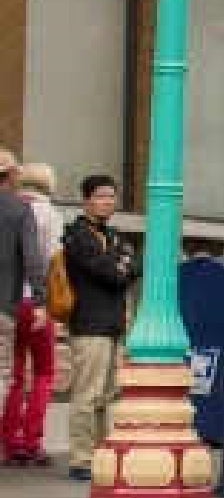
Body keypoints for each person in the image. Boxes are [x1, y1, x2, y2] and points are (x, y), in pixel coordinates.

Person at [63, 174, 129, 482]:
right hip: (89, 324)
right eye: (101, 196)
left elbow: (132, 265)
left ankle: (103, 453)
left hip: (114, 325)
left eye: (111, 196)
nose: (107, 202)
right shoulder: (76, 235)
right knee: (87, 395)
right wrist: (120, 265)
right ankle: (81, 458)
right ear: (86, 200)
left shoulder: (114, 235)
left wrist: (121, 264)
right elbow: (110, 273)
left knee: (109, 396)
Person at [3, 162, 59, 465]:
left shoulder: (8, 207)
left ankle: (9, 441)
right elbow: (47, 261)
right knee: (44, 373)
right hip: (34, 301)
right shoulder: (50, 215)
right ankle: (31, 440)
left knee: (12, 375)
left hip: (8, 302)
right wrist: (42, 301)